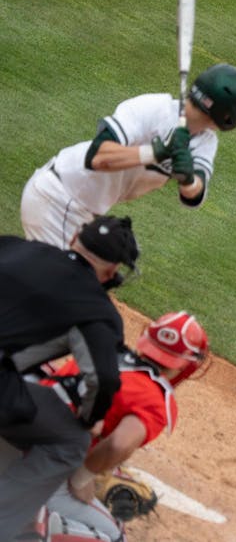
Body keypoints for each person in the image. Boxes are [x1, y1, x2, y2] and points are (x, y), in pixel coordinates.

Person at [0, 216, 139, 539]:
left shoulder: (13, 246)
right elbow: (103, 379)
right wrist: (91, 417)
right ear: (112, 271)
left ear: (75, 235)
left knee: (26, 381)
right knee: (71, 439)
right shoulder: (95, 308)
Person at [21, 64, 236, 249]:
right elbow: (98, 157)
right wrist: (154, 153)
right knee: (67, 297)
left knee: (79, 290)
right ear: (228, 117)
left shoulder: (205, 140)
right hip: (60, 200)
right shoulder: (153, 109)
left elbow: (194, 195)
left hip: (82, 211)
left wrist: (188, 179)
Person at [40, 311, 209, 541]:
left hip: (13, 434)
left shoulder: (104, 355)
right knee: (112, 535)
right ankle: (36, 527)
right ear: (187, 366)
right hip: (36, 471)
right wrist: (82, 478)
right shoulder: (153, 400)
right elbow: (118, 444)